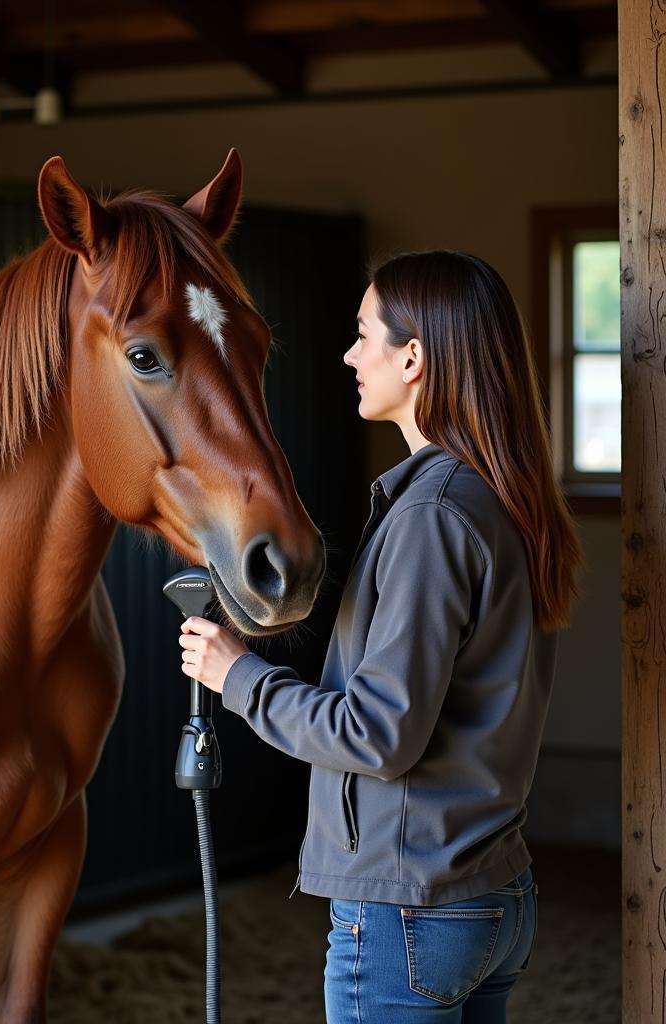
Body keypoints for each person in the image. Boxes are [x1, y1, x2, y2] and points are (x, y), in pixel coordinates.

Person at [178, 250, 582, 1023]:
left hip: (414, 912)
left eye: (363, 335)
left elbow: (378, 732)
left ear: (414, 355)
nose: (350, 354)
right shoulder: (494, 497)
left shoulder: (433, 516)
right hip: (487, 894)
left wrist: (239, 678)